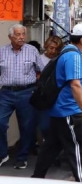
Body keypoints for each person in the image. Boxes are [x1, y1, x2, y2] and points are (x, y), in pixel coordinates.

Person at [32, 23, 82, 183]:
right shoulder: (73, 56)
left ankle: (36, 179)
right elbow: (74, 84)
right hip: (69, 111)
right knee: (80, 148)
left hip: (60, 110)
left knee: (52, 146)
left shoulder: (67, 52)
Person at [0, 24, 45, 169]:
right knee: (0, 123)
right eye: (18, 35)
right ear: (10, 37)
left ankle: (22, 157)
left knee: (26, 126)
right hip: (6, 92)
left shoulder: (32, 51)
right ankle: (2, 154)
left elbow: (41, 71)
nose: (21, 37)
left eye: (23, 34)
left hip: (26, 92)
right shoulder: (2, 51)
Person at [35, 36, 64, 146]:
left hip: (57, 95)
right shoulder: (39, 59)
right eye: (51, 48)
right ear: (46, 46)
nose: (53, 51)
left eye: (56, 49)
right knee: (44, 125)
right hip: (44, 96)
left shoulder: (60, 59)